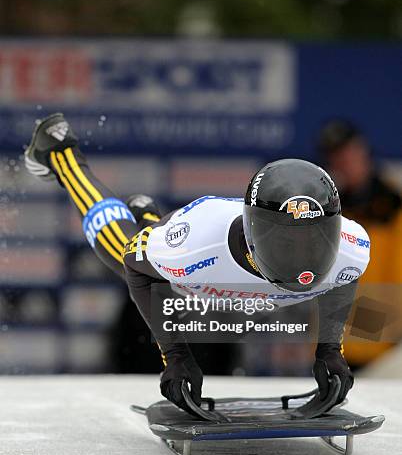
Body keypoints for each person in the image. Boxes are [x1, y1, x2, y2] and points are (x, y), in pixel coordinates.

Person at [25, 113, 370, 413]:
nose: (302, 255)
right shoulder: (196, 247)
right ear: (254, 236)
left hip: (201, 264)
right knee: (121, 247)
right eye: (286, 240)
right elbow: (136, 264)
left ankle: (147, 216)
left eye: (313, 238)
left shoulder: (351, 248)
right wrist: (176, 356)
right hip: (185, 250)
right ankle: (60, 152)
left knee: (152, 246)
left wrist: (329, 350)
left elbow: (344, 277)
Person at [318, 120, 402, 367]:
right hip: (334, 350)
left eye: (348, 152)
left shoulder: (393, 207)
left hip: (383, 353)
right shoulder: (331, 210)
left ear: (363, 150)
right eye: (336, 156)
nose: (344, 161)